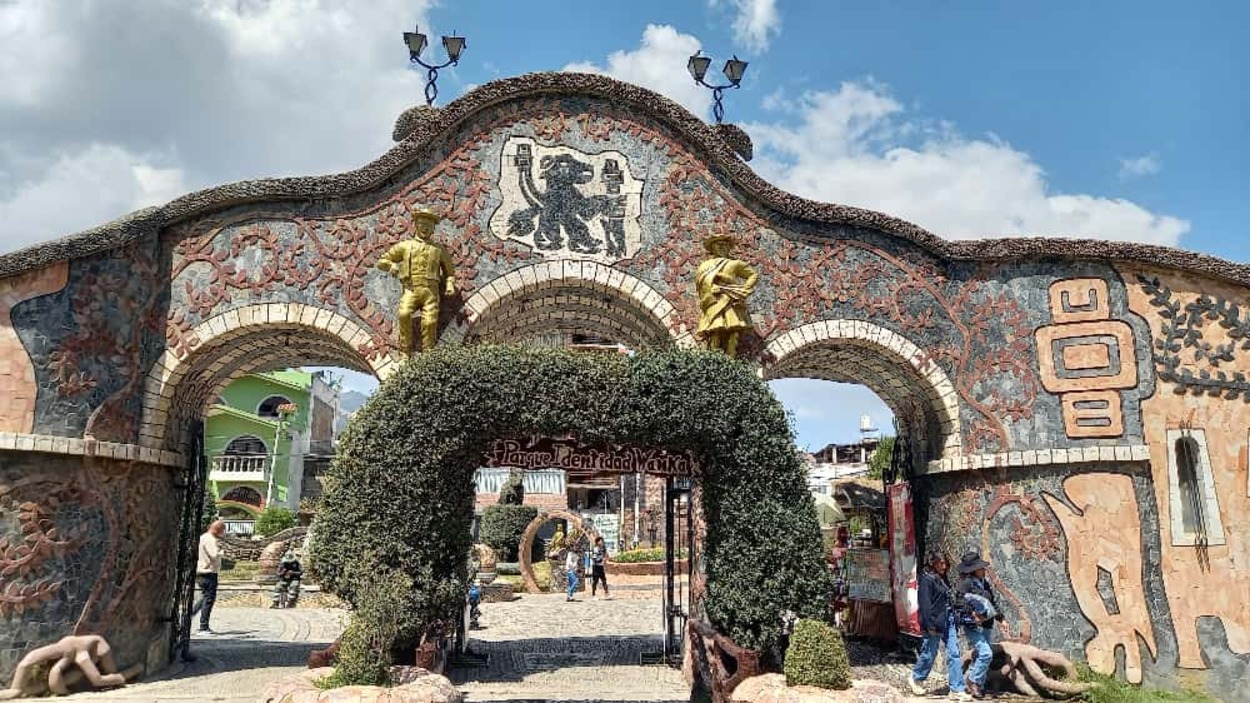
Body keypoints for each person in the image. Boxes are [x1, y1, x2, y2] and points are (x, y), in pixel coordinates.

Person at [375, 207, 456, 354]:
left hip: (431, 291)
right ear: (416, 225)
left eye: (429, 226)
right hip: (410, 289)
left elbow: (450, 273)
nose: (425, 228)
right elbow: (382, 261)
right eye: (422, 224)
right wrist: (391, 265)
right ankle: (405, 349)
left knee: (430, 322)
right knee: (404, 314)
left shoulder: (439, 249)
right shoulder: (405, 246)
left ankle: (428, 353)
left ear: (433, 229)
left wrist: (449, 285)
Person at [910, 551, 970, 701]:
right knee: (929, 654)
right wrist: (929, 625)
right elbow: (925, 604)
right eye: (940, 563)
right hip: (934, 622)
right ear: (933, 563)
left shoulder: (942, 578)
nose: (943, 566)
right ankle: (916, 677)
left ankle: (956, 689)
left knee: (954, 653)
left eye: (945, 563)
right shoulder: (926, 579)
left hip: (948, 619)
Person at [694, 234, 758, 358]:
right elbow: (701, 283)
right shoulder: (705, 266)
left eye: (725, 245)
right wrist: (711, 289)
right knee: (715, 329)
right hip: (714, 300)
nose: (722, 247)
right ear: (712, 248)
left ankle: (731, 356)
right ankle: (714, 358)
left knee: (734, 329)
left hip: (731, 300)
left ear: (729, 247)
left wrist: (743, 289)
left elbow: (753, 275)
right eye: (718, 245)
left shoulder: (734, 264)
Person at [956, 552, 1003, 699]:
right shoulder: (966, 584)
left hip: (987, 625)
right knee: (986, 653)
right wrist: (972, 614)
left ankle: (978, 687)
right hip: (973, 625)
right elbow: (959, 602)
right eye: (981, 568)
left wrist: (1002, 619)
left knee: (981, 656)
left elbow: (992, 603)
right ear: (974, 570)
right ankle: (972, 680)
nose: (984, 570)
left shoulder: (984, 583)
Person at [191, 520, 225, 633]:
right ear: (217, 529)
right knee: (209, 599)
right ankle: (203, 627)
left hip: (201, 571)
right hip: (208, 572)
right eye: (222, 530)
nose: (222, 533)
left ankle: (190, 614)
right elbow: (214, 555)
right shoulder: (210, 539)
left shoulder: (203, 537)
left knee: (205, 597)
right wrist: (221, 552)